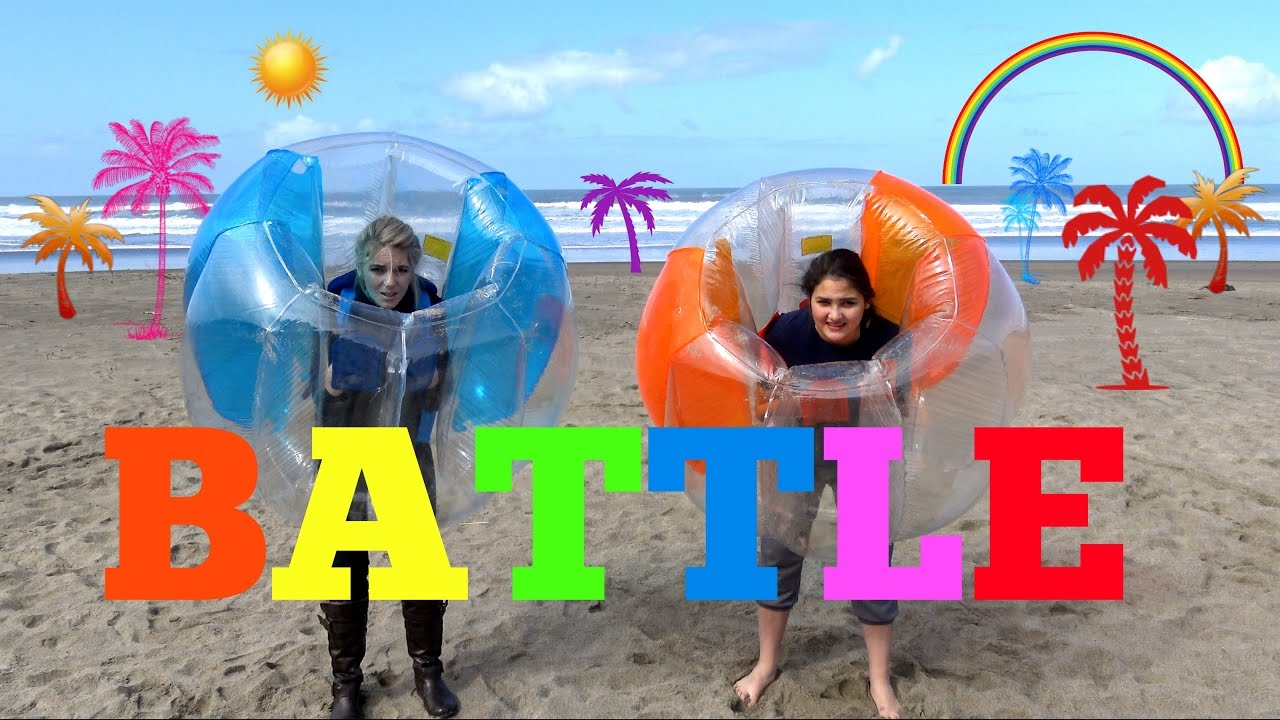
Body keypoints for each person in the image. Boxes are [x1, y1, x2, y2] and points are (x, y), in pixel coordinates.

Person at [733, 248, 903, 719]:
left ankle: (879, 680)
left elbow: (905, 406)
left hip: (863, 446)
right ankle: (766, 664)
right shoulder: (786, 332)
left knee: (870, 559)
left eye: (847, 302)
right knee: (779, 550)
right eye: (824, 302)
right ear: (809, 301)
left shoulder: (890, 340)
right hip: (795, 444)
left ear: (866, 303)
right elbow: (755, 389)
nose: (835, 314)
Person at [316, 215, 459, 720]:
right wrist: (332, 383)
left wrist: (436, 376)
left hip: (406, 448)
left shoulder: (430, 307)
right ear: (361, 265)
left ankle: (428, 672)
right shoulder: (333, 306)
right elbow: (304, 398)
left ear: (414, 266)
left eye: (401, 268)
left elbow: (444, 401)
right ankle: (346, 685)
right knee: (343, 564)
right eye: (378, 268)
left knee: (418, 561)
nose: (390, 281)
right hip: (342, 450)